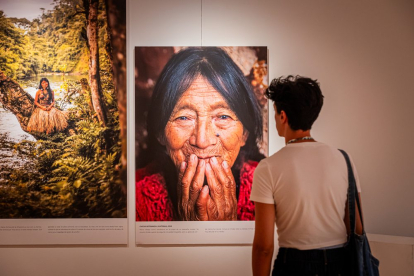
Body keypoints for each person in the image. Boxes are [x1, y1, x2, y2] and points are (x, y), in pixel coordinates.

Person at [136, 47, 265, 221]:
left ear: (245, 134)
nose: (202, 141)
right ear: (160, 132)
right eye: (183, 117)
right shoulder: (132, 200)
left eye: (223, 116)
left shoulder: (274, 191)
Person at [251, 76, 363, 276]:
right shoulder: (343, 159)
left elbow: (264, 247)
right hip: (339, 263)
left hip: (294, 264)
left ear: (283, 116)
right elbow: (357, 228)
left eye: (275, 113)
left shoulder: (267, 167)